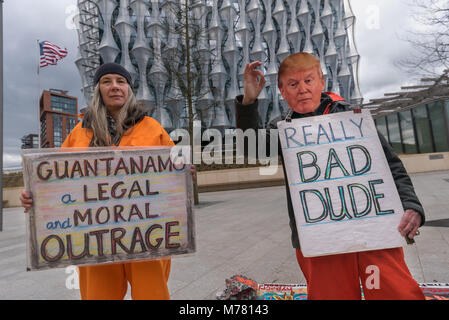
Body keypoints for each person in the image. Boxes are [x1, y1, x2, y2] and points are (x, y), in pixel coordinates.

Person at [235, 52, 426, 300]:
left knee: (394, 292)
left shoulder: (353, 116)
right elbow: (253, 149)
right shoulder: (282, 128)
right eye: (293, 84)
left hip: (373, 231)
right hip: (320, 237)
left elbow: (391, 166)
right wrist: (249, 101)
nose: (302, 89)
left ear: (322, 83)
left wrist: (411, 205)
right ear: (283, 91)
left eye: (308, 80)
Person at [20, 62, 191, 300]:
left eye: (121, 81)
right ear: (98, 90)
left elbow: (173, 177)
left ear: (129, 89)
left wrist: (183, 175)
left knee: (152, 294)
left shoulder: (152, 128)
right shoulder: (79, 133)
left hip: (145, 238)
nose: (115, 87)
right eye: (106, 81)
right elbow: (55, 183)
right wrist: (34, 196)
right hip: (95, 239)